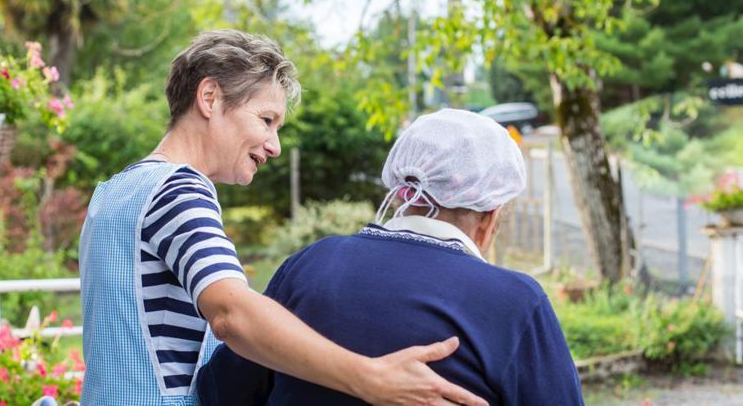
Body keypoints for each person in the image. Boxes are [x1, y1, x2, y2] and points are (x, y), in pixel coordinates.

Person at [78, 30, 486, 405]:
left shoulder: (113, 192)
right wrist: (368, 377)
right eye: (266, 120)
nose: (273, 146)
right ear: (209, 98)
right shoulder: (180, 189)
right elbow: (231, 314)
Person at [195, 109, 585, 405]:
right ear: (492, 213)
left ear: (401, 192)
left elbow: (221, 391)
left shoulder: (312, 263)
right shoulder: (515, 302)